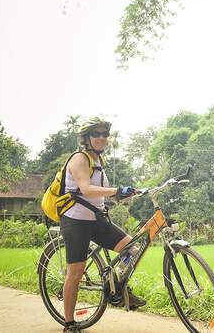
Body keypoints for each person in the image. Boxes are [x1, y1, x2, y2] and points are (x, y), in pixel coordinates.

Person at [60, 117, 145, 333]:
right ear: (87, 138)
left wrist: (127, 194)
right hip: (76, 220)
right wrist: (117, 190)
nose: (101, 138)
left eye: (104, 135)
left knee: (132, 250)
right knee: (76, 272)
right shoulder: (80, 159)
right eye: (96, 134)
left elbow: (99, 196)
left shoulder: (100, 162)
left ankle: (117, 287)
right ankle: (69, 323)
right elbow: (86, 189)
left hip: (95, 219)